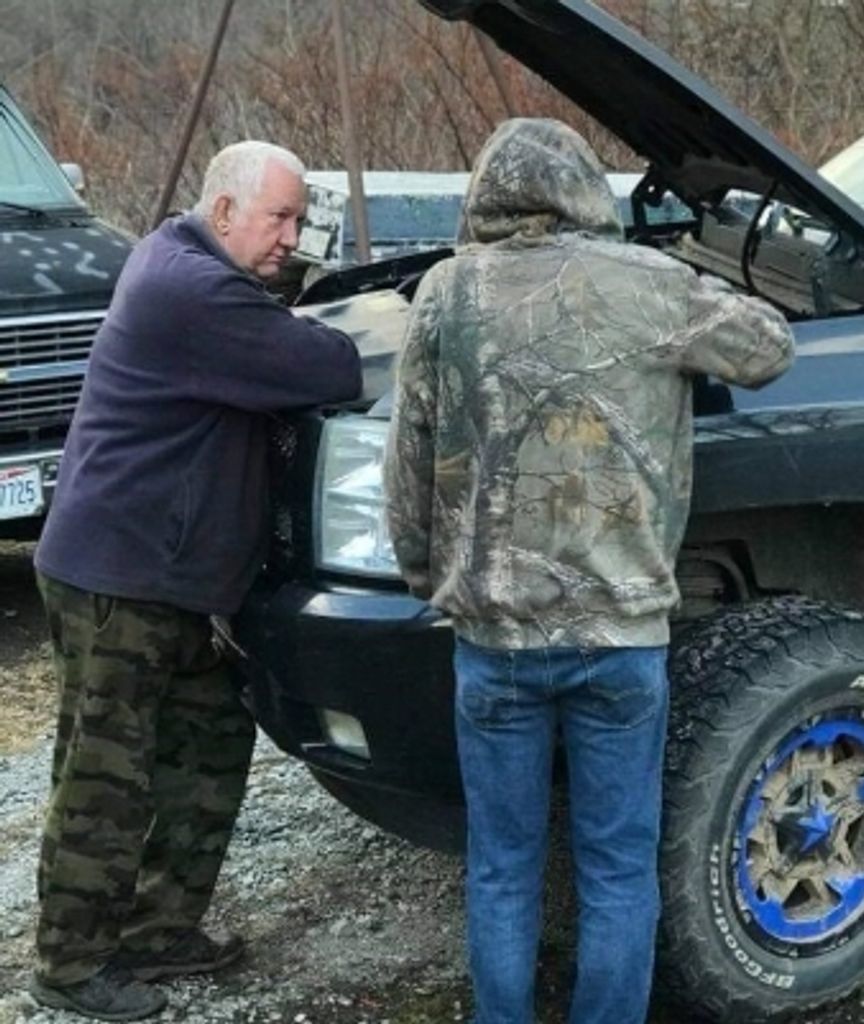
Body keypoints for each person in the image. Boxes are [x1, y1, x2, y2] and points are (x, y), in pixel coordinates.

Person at [383, 118, 794, 1024]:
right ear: (584, 188)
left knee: (502, 867)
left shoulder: (449, 290)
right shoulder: (650, 283)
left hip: (493, 639)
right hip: (621, 640)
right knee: (617, 868)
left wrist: (425, 574)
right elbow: (771, 348)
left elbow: (409, 456)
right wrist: (696, 272)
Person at [29, 140, 362, 1021]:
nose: (291, 237)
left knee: (208, 745)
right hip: (118, 578)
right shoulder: (192, 290)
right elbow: (326, 366)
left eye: (299, 219)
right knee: (106, 778)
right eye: (279, 218)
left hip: (168, 579)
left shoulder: (196, 269)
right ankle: (69, 964)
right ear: (223, 212)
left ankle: (158, 930)